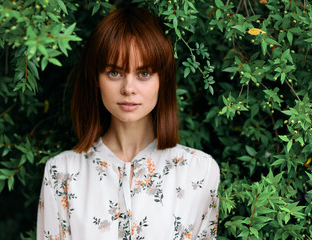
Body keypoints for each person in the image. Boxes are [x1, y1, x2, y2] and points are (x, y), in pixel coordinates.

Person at [37, 7, 220, 240]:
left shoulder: (200, 172)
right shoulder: (61, 173)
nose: (128, 88)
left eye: (144, 74)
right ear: (96, 78)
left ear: (162, 80)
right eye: (115, 73)